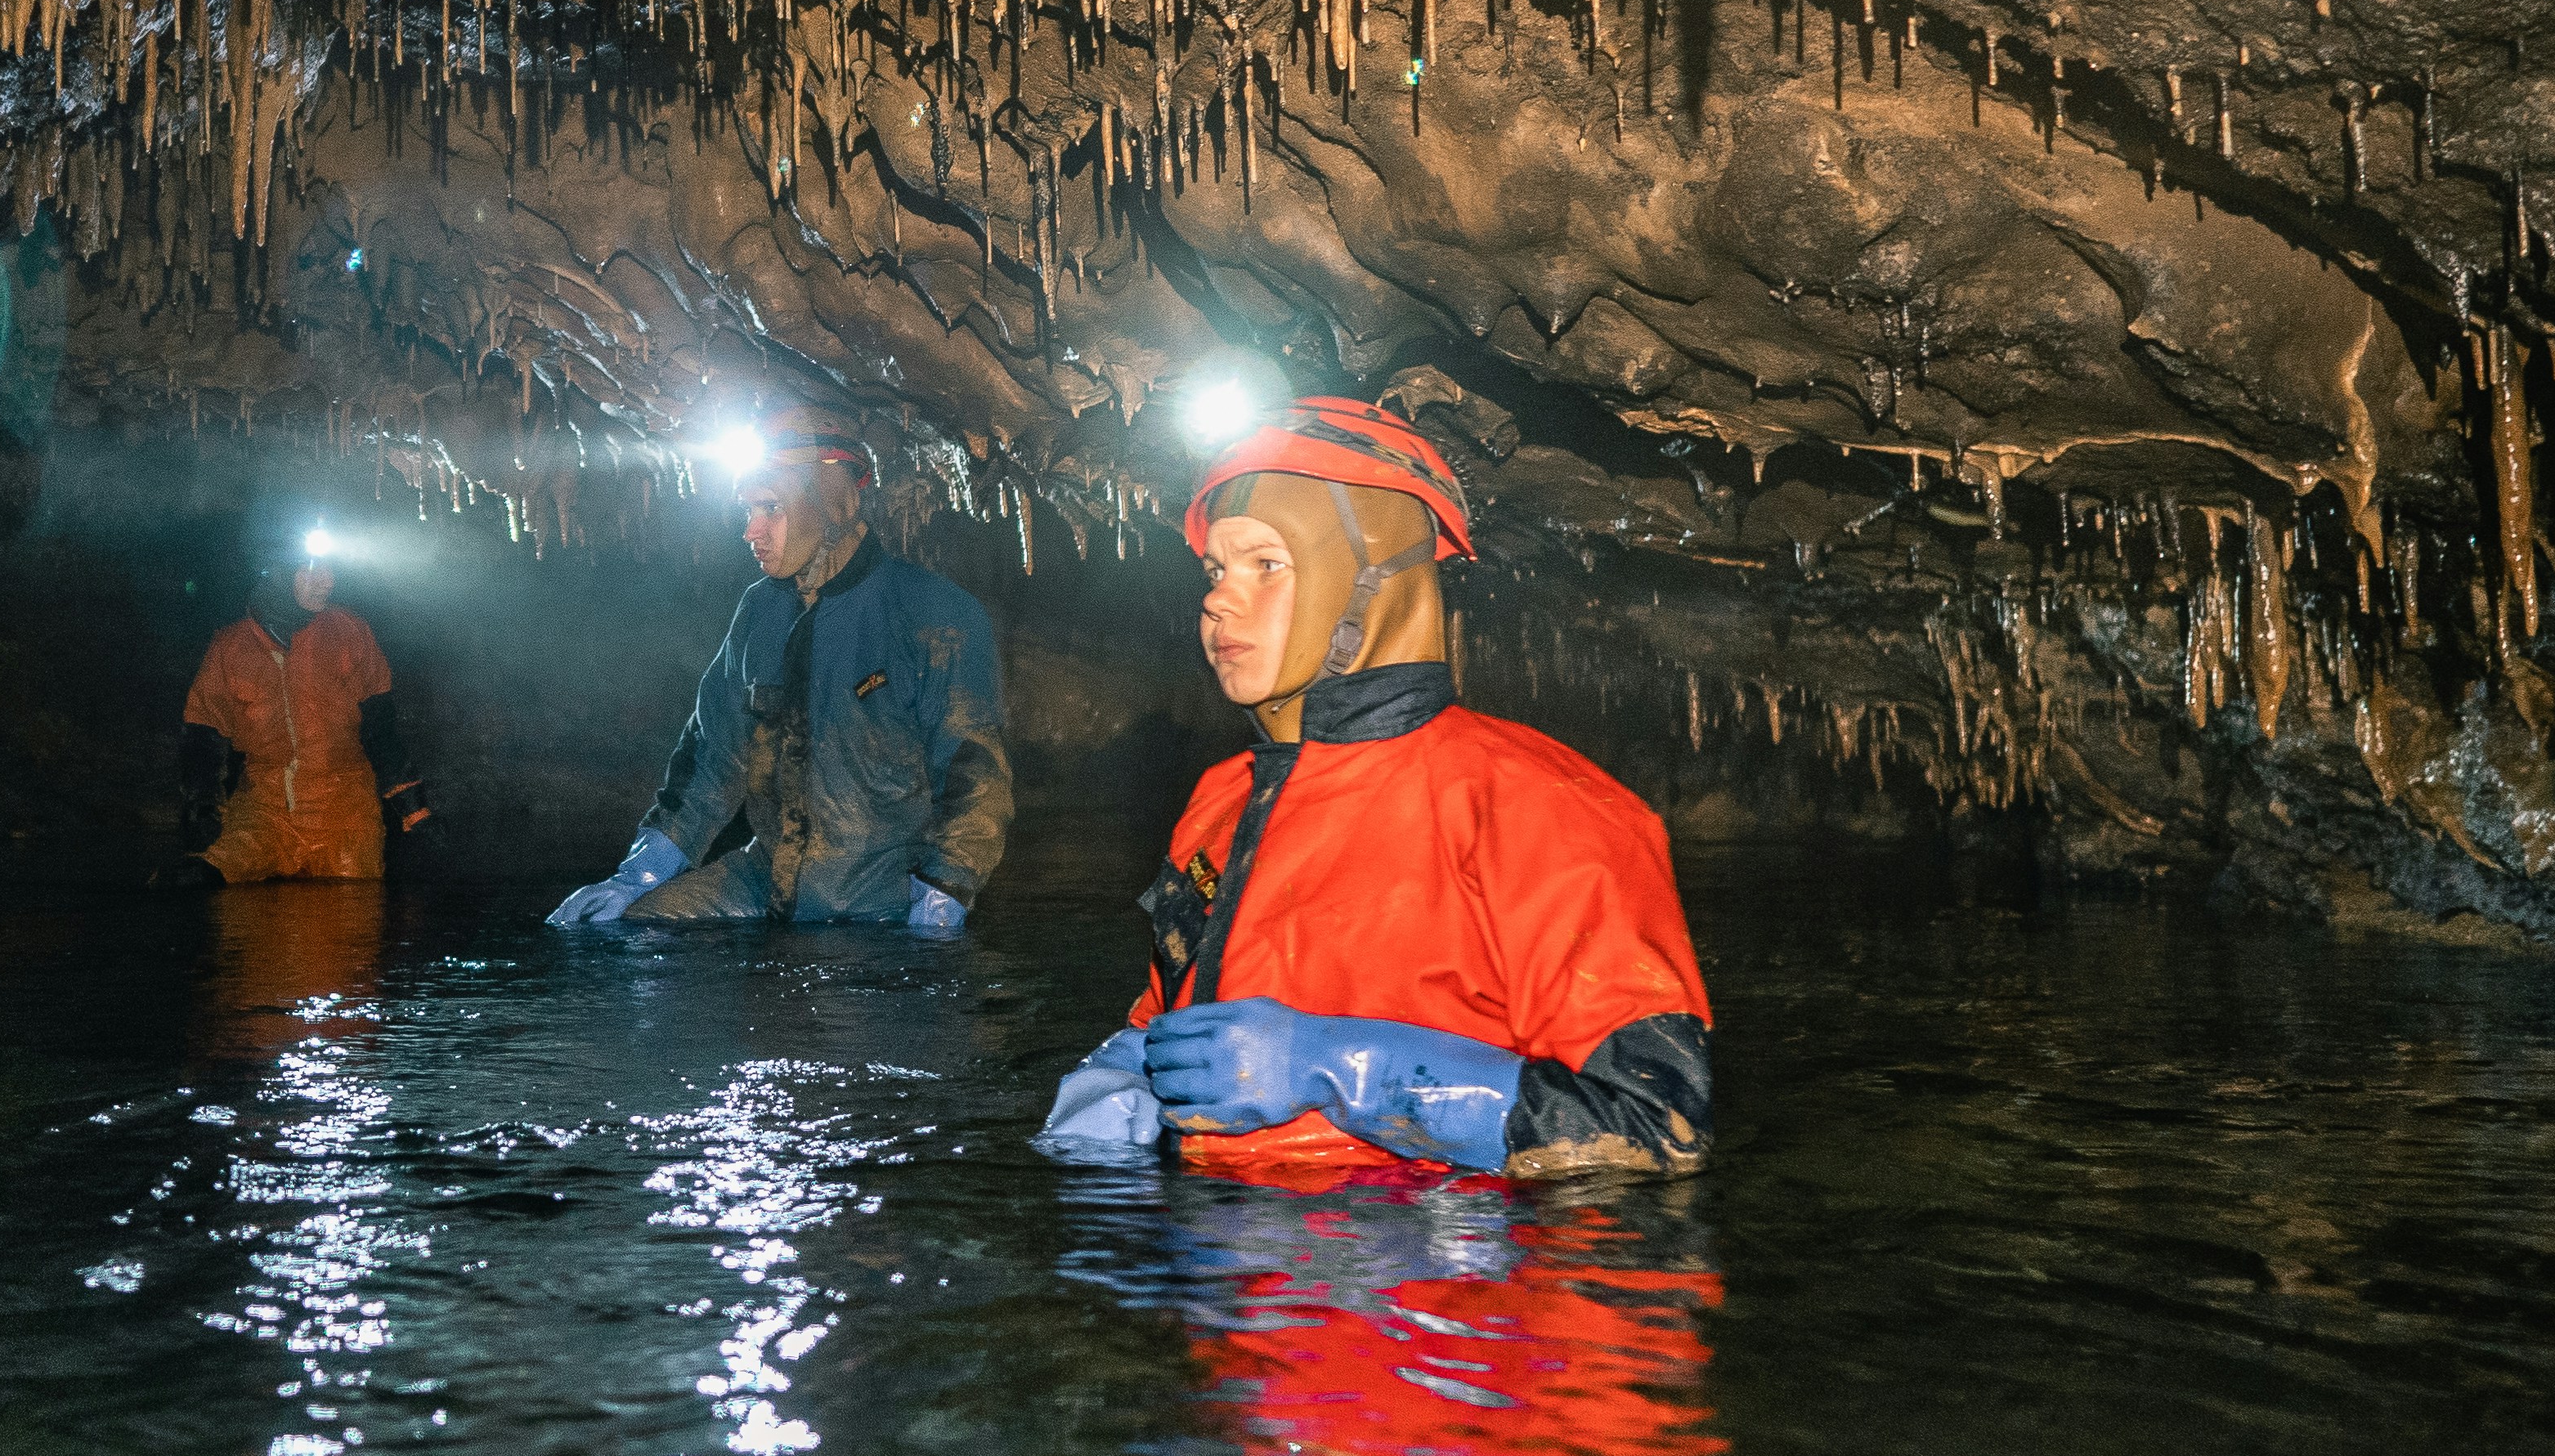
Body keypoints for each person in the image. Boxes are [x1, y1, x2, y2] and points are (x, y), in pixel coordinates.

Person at [1038, 397, 1712, 1175]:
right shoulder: (1219, 803)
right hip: (1223, 1267)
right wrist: (1126, 1067)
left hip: (1442, 1275)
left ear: (1374, 581)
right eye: (1217, 570)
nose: (1218, 599)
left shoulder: (1542, 806)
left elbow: (1660, 1127)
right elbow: (1173, 1009)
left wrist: (1349, 1071)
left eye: (1266, 565)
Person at [544, 396, 1010, 934]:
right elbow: (711, 760)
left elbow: (975, 777)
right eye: (748, 511)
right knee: (614, 929)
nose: (751, 530)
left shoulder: (932, 613)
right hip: (767, 881)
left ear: (829, 501)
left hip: (881, 896)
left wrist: (942, 895)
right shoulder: (759, 612)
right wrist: (635, 878)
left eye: (770, 508)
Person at [177, 532, 424, 884]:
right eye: (311, 572)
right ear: (279, 575)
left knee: (348, 911)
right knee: (203, 876)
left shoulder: (349, 632)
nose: (328, 581)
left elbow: (381, 730)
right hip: (265, 812)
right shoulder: (230, 648)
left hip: (344, 813)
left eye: (330, 570)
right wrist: (202, 810)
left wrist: (414, 809)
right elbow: (203, 736)